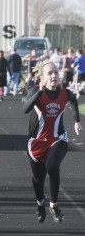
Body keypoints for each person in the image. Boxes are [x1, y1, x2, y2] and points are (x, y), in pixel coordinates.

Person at [23, 62, 82, 224]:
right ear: (42, 77)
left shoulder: (65, 93)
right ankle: (40, 203)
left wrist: (77, 121)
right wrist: (39, 91)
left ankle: (54, 205)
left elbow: (73, 101)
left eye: (56, 72)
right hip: (36, 143)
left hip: (58, 139)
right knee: (38, 178)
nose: (54, 76)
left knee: (52, 166)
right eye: (50, 73)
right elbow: (26, 109)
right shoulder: (36, 90)